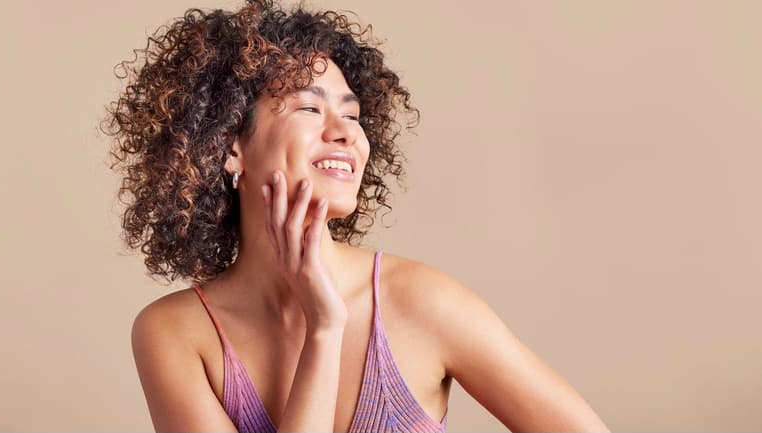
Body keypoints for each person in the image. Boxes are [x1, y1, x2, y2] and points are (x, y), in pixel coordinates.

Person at [102, 0, 611, 432]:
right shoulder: (175, 333)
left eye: (352, 114)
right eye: (309, 109)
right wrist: (324, 327)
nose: (347, 133)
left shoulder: (421, 301)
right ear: (229, 144)